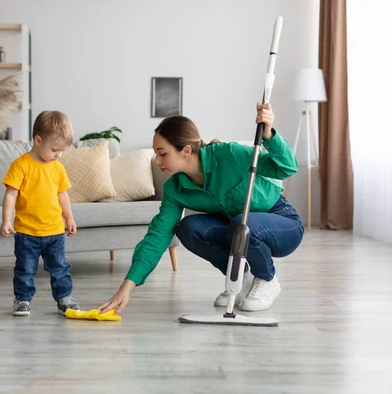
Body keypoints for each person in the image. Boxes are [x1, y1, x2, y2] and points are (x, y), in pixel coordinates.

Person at [99, 103, 304, 314]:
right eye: (156, 154)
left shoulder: (229, 154)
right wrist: (127, 287)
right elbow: (158, 235)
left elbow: (287, 167)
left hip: (281, 222)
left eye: (163, 153)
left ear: (186, 150)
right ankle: (241, 278)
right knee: (188, 227)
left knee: (240, 223)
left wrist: (268, 133)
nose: (157, 161)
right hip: (238, 230)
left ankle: (267, 278)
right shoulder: (175, 188)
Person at [1, 110, 80, 316]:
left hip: (54, 231)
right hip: (27, 232)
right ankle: (22, 300)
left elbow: (62, 196)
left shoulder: (58, 168)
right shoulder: (21, 165)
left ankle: (64, 298)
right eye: (55, 149)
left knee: (60, 268)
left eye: (62, 151)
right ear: (38, 140)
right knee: (25, 269)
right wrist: (6, 220)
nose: (58, 155)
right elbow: (11, 195)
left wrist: (69, 218)